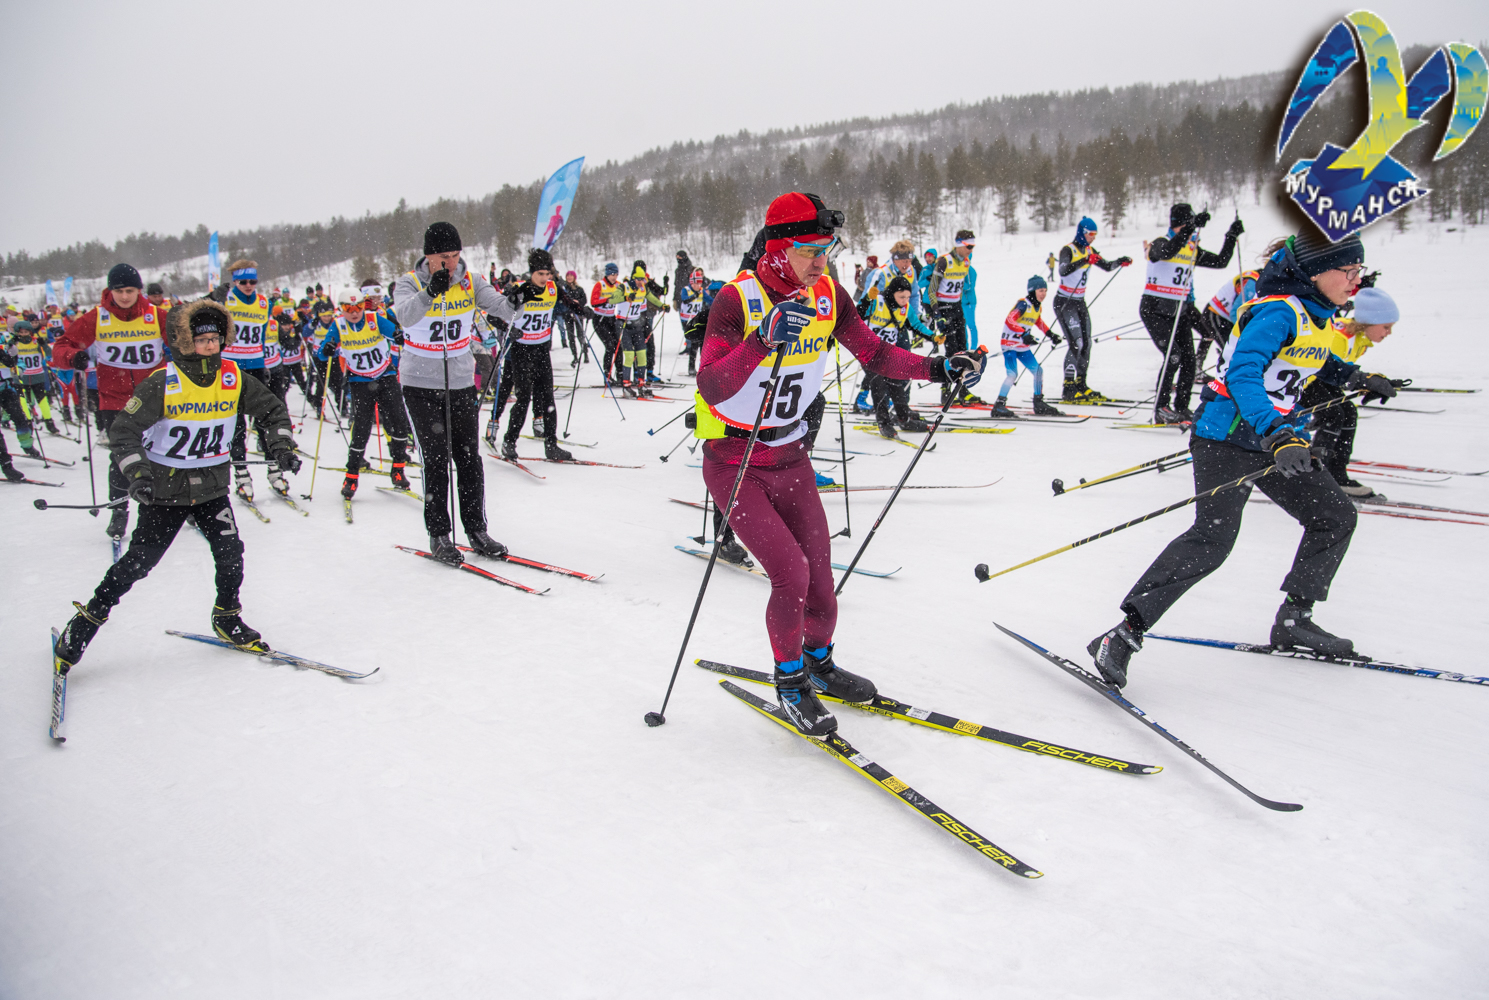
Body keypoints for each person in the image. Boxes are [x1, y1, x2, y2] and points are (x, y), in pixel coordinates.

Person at [696, 191, 987, 737]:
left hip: (791, 454)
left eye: (829, 248)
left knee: (822, 573)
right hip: (735, 461)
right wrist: (761, 341)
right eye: (810, 250)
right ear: (780, 249)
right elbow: (711, 386)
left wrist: (939, 367)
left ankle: (819, 664)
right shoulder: (736, 300)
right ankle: (789, 682)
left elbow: (875, 353)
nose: (821, 260)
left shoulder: (829, 293)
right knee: (791, 573)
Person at [1088, 231, 1401, 688]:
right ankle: (1122, 634)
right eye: (1349, 271)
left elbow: (1315, 361)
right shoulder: (1277, 311)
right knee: (1212, 539)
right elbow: (1243, 373)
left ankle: (1295, 618)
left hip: (1275, 440)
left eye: (1358, 272)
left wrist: (1359, 376)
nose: (1356, 281)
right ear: (1317, 272)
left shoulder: (1317, 316)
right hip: (1228, 436)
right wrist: (1276, 431)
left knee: (1334, 515)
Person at [52, 300, 300, 671]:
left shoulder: (232, 378)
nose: (210, 346)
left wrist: (281, 445)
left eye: (216, 339)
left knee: (231, 553)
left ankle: (226, 616)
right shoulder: (163, 381)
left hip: (212, 489)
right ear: (185, 342)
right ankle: (85, 622)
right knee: (136, 565)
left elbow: (273, 409)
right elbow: (123, 431)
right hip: (164, 493)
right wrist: (137, 474)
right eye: (202, 340)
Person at [391, 221, 517, 565]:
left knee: (469, 458)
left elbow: (500, 307)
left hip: (460, 382)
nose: (450, 263)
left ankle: (476, 530)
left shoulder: (470, 281)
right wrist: (430, 291)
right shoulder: (409, 283)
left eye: (455, 255)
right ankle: (440, 534)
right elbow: (403, 316)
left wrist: (516, 299)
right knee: (435, 458)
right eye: (443, 257)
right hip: (419, 384)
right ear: (428, 256)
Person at [49, 263, 168, 541]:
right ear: (110, 290)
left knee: (163, 453)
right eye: (119, 290)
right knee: (121, 459)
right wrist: (73, 357)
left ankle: (173, 504)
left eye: (130, 290)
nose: (124, 296)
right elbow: (61, 346)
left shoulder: (157, 316)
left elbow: (185, 341)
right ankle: (119, 511)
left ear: (139, 290)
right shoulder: (98, 318)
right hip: (115, 400)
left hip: (155, 397)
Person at [1140, 204, 1244, 423]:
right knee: (1173, 355)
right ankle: (1161, 408)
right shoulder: (1160, 242)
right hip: (1155, 309)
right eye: (1188, 225)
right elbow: (1167, 252)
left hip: (1180, 310)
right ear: (1181, 224)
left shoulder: (1191, 248)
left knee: (1188, 359)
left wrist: (1231, 236)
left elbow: (1220, 262)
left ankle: (1181, 407)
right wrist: (1189, 228)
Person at [493, 248, 593, 462]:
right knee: (524, 398)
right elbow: (494, 315)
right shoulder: (519, 290)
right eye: (540, 274)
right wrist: (509, 329)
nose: (545, 278)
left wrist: (583, 310)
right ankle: (510, 441)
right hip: (521, 350)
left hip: (541, 350)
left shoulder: (553, 288)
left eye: (548, 274)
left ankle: (551, 444)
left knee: (548, 398)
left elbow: (570, 304)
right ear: (531, 273)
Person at [1301, 285, 1398, 499]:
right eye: (1386, 327)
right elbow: (1320, 370)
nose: (1389, 333)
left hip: (1315, 380)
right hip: (1304, 381)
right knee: (1334, 414)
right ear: (1369, 323)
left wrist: (1369, 383)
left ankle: (1335, 473)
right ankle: (1320, 474)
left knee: (1347, 413)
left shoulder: (1360, 339)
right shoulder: (1342, 339)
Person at [316, 289, 413, 499]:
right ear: (341, 309)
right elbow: (321, 355)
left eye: (358, 307)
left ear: (363, 305)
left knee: (399, 423)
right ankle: (351, 476)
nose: (354, 312)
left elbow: (398, 335)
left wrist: (398, 336)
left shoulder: (374, 319)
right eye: (348, 309)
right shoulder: (338, 325)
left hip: (385, 377)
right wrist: (328, 348)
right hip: (360, 382)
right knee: (361, 430)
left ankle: (398, 470)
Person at [207, 259, 280, 498]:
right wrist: (211, 298)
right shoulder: (225, 298)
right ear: (235, 281)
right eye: (243, 282)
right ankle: (241, 472)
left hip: (257, 364)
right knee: (236, 421)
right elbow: (200, 312)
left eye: (253, 281)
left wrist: (265, 363)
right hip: (230, 365)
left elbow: (259, 335)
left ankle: (274, 468)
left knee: (263, 417)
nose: (249, 285)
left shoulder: (263, 302)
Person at [1052, 217, 1131, 402]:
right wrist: (1085, 261)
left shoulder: (1089, 249)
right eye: (1090, 234)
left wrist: (1120, 261)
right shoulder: (1068, 250)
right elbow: (1063, 270)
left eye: (1095, 234)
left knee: (1087, 343)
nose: (1093, 238)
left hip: (1079, 301)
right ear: (1082, 232)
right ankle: (1068, 387)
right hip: (1065, 301)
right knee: (1076, 343)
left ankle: (1081, 384)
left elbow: (1106, 266)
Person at [861, 275, 933, 438]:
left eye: (908, 297)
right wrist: (866, 299)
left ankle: (903, 418)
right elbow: (858, 314)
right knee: (878, 383)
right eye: (901, 297)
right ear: (892, 293)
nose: (905, 300)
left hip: (888, 353)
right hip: (869, 352)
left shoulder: (905, 308)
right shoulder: (877, 302)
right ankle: (884, 423)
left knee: (896, 382)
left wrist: (933, 337)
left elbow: (916, 325)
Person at [991, 276, 1063, 419]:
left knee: (1038, 371)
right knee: (1012, 374)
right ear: (1032, 291)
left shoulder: (1037, 307)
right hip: (1010, 345)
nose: (1043, 294)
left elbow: (1039, 322)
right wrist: (1023, 333)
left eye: (1045, 291)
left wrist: (1051, 334)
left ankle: (1038, 403)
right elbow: (1010, 319)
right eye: (1040, 290)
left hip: (1022, 346)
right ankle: (998, 405)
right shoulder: (1023, 304)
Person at [925, 231, 982, 404]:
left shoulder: (965, 262)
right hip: (944, 308)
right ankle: (945, 390)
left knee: (963, 350)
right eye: (968, 246)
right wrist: (937, 313)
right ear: (959, 245)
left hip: (957, 308)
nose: (971, 250)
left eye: (973, 247)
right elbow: (931, 290)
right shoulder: (944, 261)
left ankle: (962, 389)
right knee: (951, 352)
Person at [1195, 266, 1261, 378]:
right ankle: (1224, 378)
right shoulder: (1253, 282)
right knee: (1231, 350)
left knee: (1231, 347)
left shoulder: (1257, 278)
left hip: (1224, 316)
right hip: (1216, 314)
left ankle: (1198, 368)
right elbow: (1236, 312)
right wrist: (1244, 331)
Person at [617, 263, 668, 393]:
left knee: (645, 349)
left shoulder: (647, 283)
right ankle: (628, 381)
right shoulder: (627, 284)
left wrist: (665, 288)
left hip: (643, 319)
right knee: (629, 353)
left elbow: (660, 292)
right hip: (631, 320)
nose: (641, 280)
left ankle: (643, 378)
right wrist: (627, 298)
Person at [589, 263, 625, 384]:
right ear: (607, 274)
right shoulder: (600, 285)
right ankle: (607, 376)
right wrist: (606, 300)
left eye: (616, 274)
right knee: (609, 346)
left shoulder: (619, 285)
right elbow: (593, 302)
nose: (614, 277)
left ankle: (620, 375)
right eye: (612, 274)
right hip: (600, 319)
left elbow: (624, 297)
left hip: (611, 319)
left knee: (618, 347)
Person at [677, 269, 712, 377]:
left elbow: (710, 300)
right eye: (696, 283)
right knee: (693, 344)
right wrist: (693, 296)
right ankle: (691, 368)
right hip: (686, 320)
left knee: (702, 343)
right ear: (692, 282)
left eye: (700, 283)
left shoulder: (701, 291)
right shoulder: (686, 290)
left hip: (696, 320)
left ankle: (703, 366)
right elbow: (684, 300)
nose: (698, 285)